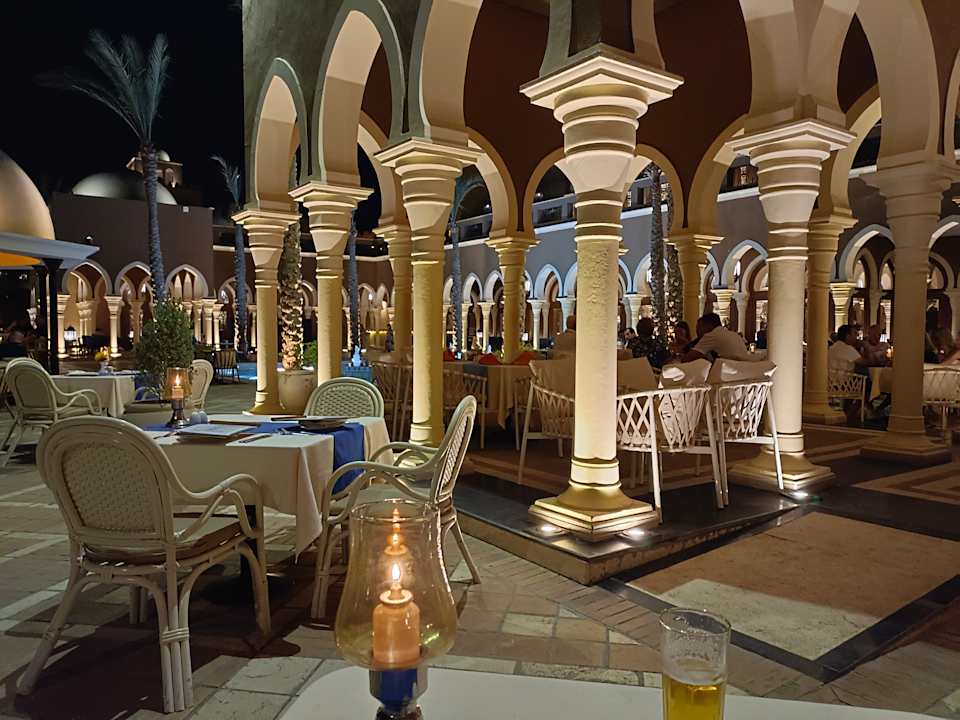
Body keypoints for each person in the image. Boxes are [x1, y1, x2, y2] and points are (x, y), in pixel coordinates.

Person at [680, 313, 750, 362]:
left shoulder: (711, 335)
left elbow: (686, 359)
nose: (697, 332)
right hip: (743, 372)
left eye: (699, 328)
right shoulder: (734, 335)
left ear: (708, 326)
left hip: (727, 373)